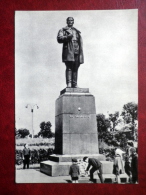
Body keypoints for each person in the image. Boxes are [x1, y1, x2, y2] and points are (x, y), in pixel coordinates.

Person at [57, 17, 84, 88]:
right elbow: (59, 39)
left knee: (76, 67)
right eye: (69, 20)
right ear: (67, 21)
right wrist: (67, 37)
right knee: (69, 66)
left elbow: (79, 40)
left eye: (72, 20)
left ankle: (74, 83)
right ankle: (69, 83)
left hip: (77, 49)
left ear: (73, 22)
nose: (70, 22)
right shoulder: (63, 30)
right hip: (69, 49)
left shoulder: (76, 31)